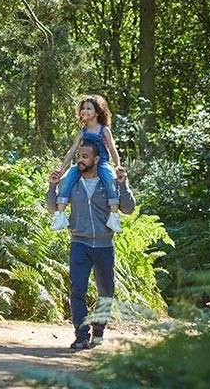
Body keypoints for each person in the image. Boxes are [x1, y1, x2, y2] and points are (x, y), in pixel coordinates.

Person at [46, 141, 135, 349]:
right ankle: (81, 336)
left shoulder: (108, 183)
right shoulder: (72, 183)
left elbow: (128, 209)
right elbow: (52, 207)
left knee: (106, 292)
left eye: (85, 156)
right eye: (78, 156)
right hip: (79, 244)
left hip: (104, 246)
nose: (80, 160)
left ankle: (99, 330)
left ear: (96, 159)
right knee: (77, 290)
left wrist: (123, 184)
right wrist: (52, 186)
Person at [51, 95, 125, 233]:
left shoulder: (104, 130)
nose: (84, 111)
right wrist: (62, 168)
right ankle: (60, 215)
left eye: (89, 108)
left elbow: (112, 148)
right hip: (83, 163)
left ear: (97, 112)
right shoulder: (82, 132)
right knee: (66, 180)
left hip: (101, 162)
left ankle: (114, 216)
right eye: (83, 108)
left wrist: (117, 165)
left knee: (110, 180)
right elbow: (72, 150)